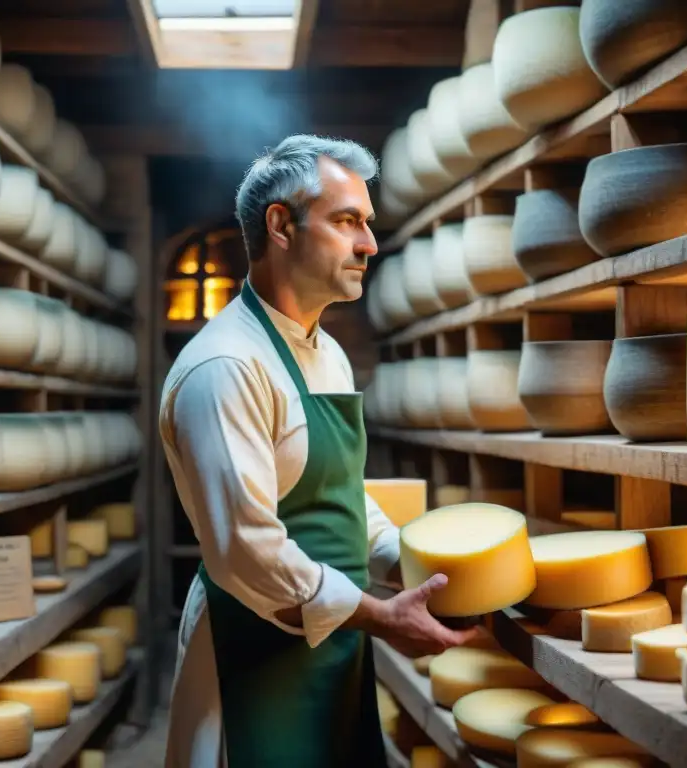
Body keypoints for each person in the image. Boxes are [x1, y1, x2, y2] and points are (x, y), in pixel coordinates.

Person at [159, 135, 480, 768]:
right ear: (281, 225)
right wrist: (382, 618)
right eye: (347, 221)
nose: (370, 243)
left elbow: (340, 494)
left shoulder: (326, 351)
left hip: (334, 641)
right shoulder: (225, 366)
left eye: (368, 223)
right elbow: (247, 552)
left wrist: (413, 565)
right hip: (254, 647)